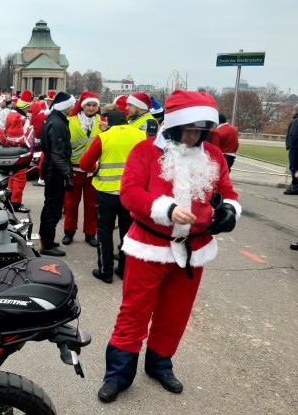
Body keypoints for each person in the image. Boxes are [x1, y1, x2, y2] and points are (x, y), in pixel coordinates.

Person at [97, 90, 240, 403]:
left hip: (194, 250)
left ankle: (160, 364)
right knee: (133, 313)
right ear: (174, 125)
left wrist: (230, 209)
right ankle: (118, 374)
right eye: (189, 128)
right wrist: (167, 209)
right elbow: (130, 193)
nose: (194, 135)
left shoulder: (213, 156)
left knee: (175, 314)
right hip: (149, 246)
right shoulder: (145, 151)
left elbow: (228, 191)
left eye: (201, 129)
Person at [79, 110, 146, 283]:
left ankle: (105, 271)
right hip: (131, 193)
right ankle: (124, 270)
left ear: (108, 122)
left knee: (104, 232)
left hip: (106, 192)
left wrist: (95, 169)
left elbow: (85, 163)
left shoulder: (104, 137)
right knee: (128, 232)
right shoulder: (141, 135)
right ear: (126, 121)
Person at [38, 92, 76, 257]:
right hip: (54, 170)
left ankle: (47, 239)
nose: (73, 108)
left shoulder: (53, 118)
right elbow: (57, 153)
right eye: (71, 105)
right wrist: (67, 174)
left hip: (51, 167)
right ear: (65, 106)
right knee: (53, 207)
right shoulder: (58, 123)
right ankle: (47, 244)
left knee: (51, 205)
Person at [63, 92, 102, 247]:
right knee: (71, 203)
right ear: (82, 105)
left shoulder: (103, 122)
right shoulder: (69, 121)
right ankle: (69, 232)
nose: (91, 108)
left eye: (94, 105)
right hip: (74, 169)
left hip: (94, 171)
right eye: (88, 105)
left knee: (92, 204)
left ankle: (90, 233)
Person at [0, 90, 34, 213]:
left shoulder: (13, 114)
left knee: (13, 178)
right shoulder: (18, 117)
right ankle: (16, 203)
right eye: (29, 105)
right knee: (19, 178)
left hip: (12, 151)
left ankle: (10, 201)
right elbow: (17, 138)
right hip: (17, 151)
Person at [31, 91, 55, 186]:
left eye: (52, 100)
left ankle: (43, 178)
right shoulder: (40, 108)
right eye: (49, 100)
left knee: (45, 157)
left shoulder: (55, 109)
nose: (50, 101)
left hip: (49, 137)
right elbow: (34, 122)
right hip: (43, 136)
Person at [284, 104, 298, 195]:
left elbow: (293, 135)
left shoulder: (296, 121)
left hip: (295, 149)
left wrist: (290, 146)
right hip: (295, 147)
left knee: (295, 168)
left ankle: (295, 186)